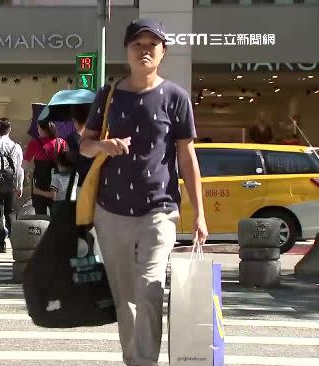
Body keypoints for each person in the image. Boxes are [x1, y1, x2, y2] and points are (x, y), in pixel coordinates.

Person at [80, 19, 208, 366]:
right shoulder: (108, 96)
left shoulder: (176, 98)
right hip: (111, 212)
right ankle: (134, 360)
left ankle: (146, 361)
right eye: (138, 44)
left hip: (159, 210)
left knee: (150, 286)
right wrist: (104, 144)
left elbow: (186, 156)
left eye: (153, 44)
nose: (145, 50)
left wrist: (200, 213)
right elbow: (85, 146)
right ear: (127, 51)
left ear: (163, 52)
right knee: (125, 298)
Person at [0, 118, 24, 253]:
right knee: (10, 212)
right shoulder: (16, 147)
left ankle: (1, 244)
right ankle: (15, 242)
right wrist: (19, 185)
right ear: (9, 129)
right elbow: (19, 168)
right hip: (10, 184)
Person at [23, 120, 67, 215]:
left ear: (42, 128)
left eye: (38, 127)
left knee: (40, 215)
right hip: (57, 183)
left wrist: (30, 171)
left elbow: (25, 163)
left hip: (40, 182)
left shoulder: (34, 143)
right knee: (56, 216)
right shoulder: (61, 142)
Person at [65, 103, 94, 188]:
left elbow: (68, 161)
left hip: (79, 183)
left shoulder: (71, 138)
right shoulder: (96, 138)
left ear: (74, 120)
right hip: (95, 182)